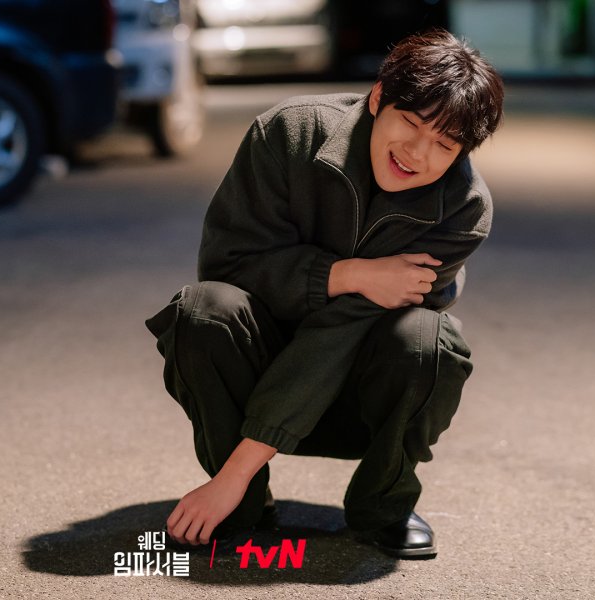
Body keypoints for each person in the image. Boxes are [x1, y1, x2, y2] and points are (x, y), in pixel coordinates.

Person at [146, 29, 503, 559]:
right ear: (378, 97)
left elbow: (343, 330)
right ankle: (241, 504)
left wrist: (235, 470)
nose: (417, 152)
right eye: (410, 122)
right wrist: (350, 275)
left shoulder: (463, 208)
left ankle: (383, 507)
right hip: (256, 370)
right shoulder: (289, 133)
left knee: (428, 342)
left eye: (444, 145)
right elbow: (228, 264)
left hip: (360, 394)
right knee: (205, 312)